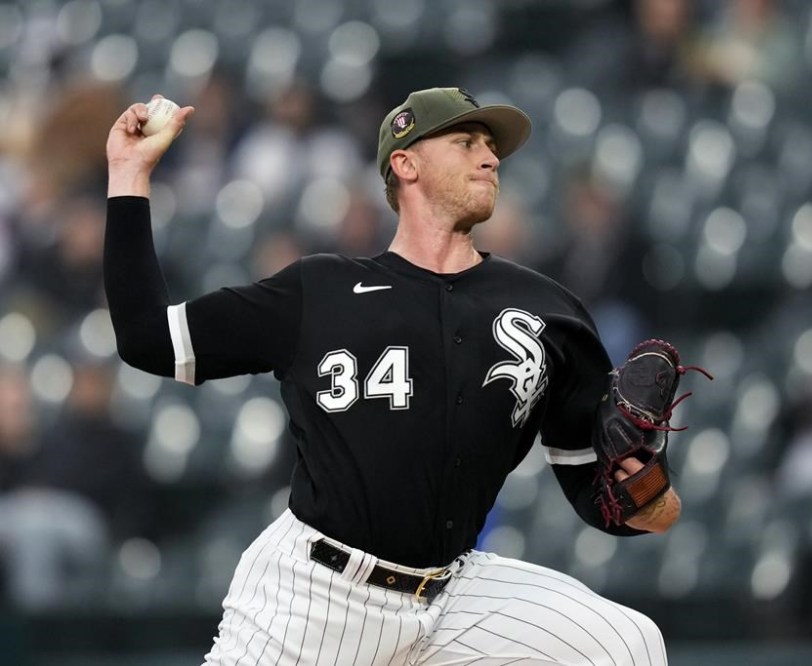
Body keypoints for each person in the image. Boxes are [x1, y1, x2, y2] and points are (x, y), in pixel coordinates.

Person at [104, 87, 680, 664]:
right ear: (405, 164)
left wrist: (648, 488)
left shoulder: (549, 312)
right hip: (314, 596)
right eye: (465, 142)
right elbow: (149, 338)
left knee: (627, 645)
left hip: (454, 595)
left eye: (491, 146)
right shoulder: (318, 291)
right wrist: (130, 175)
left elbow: (606, 498)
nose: (490, 156)